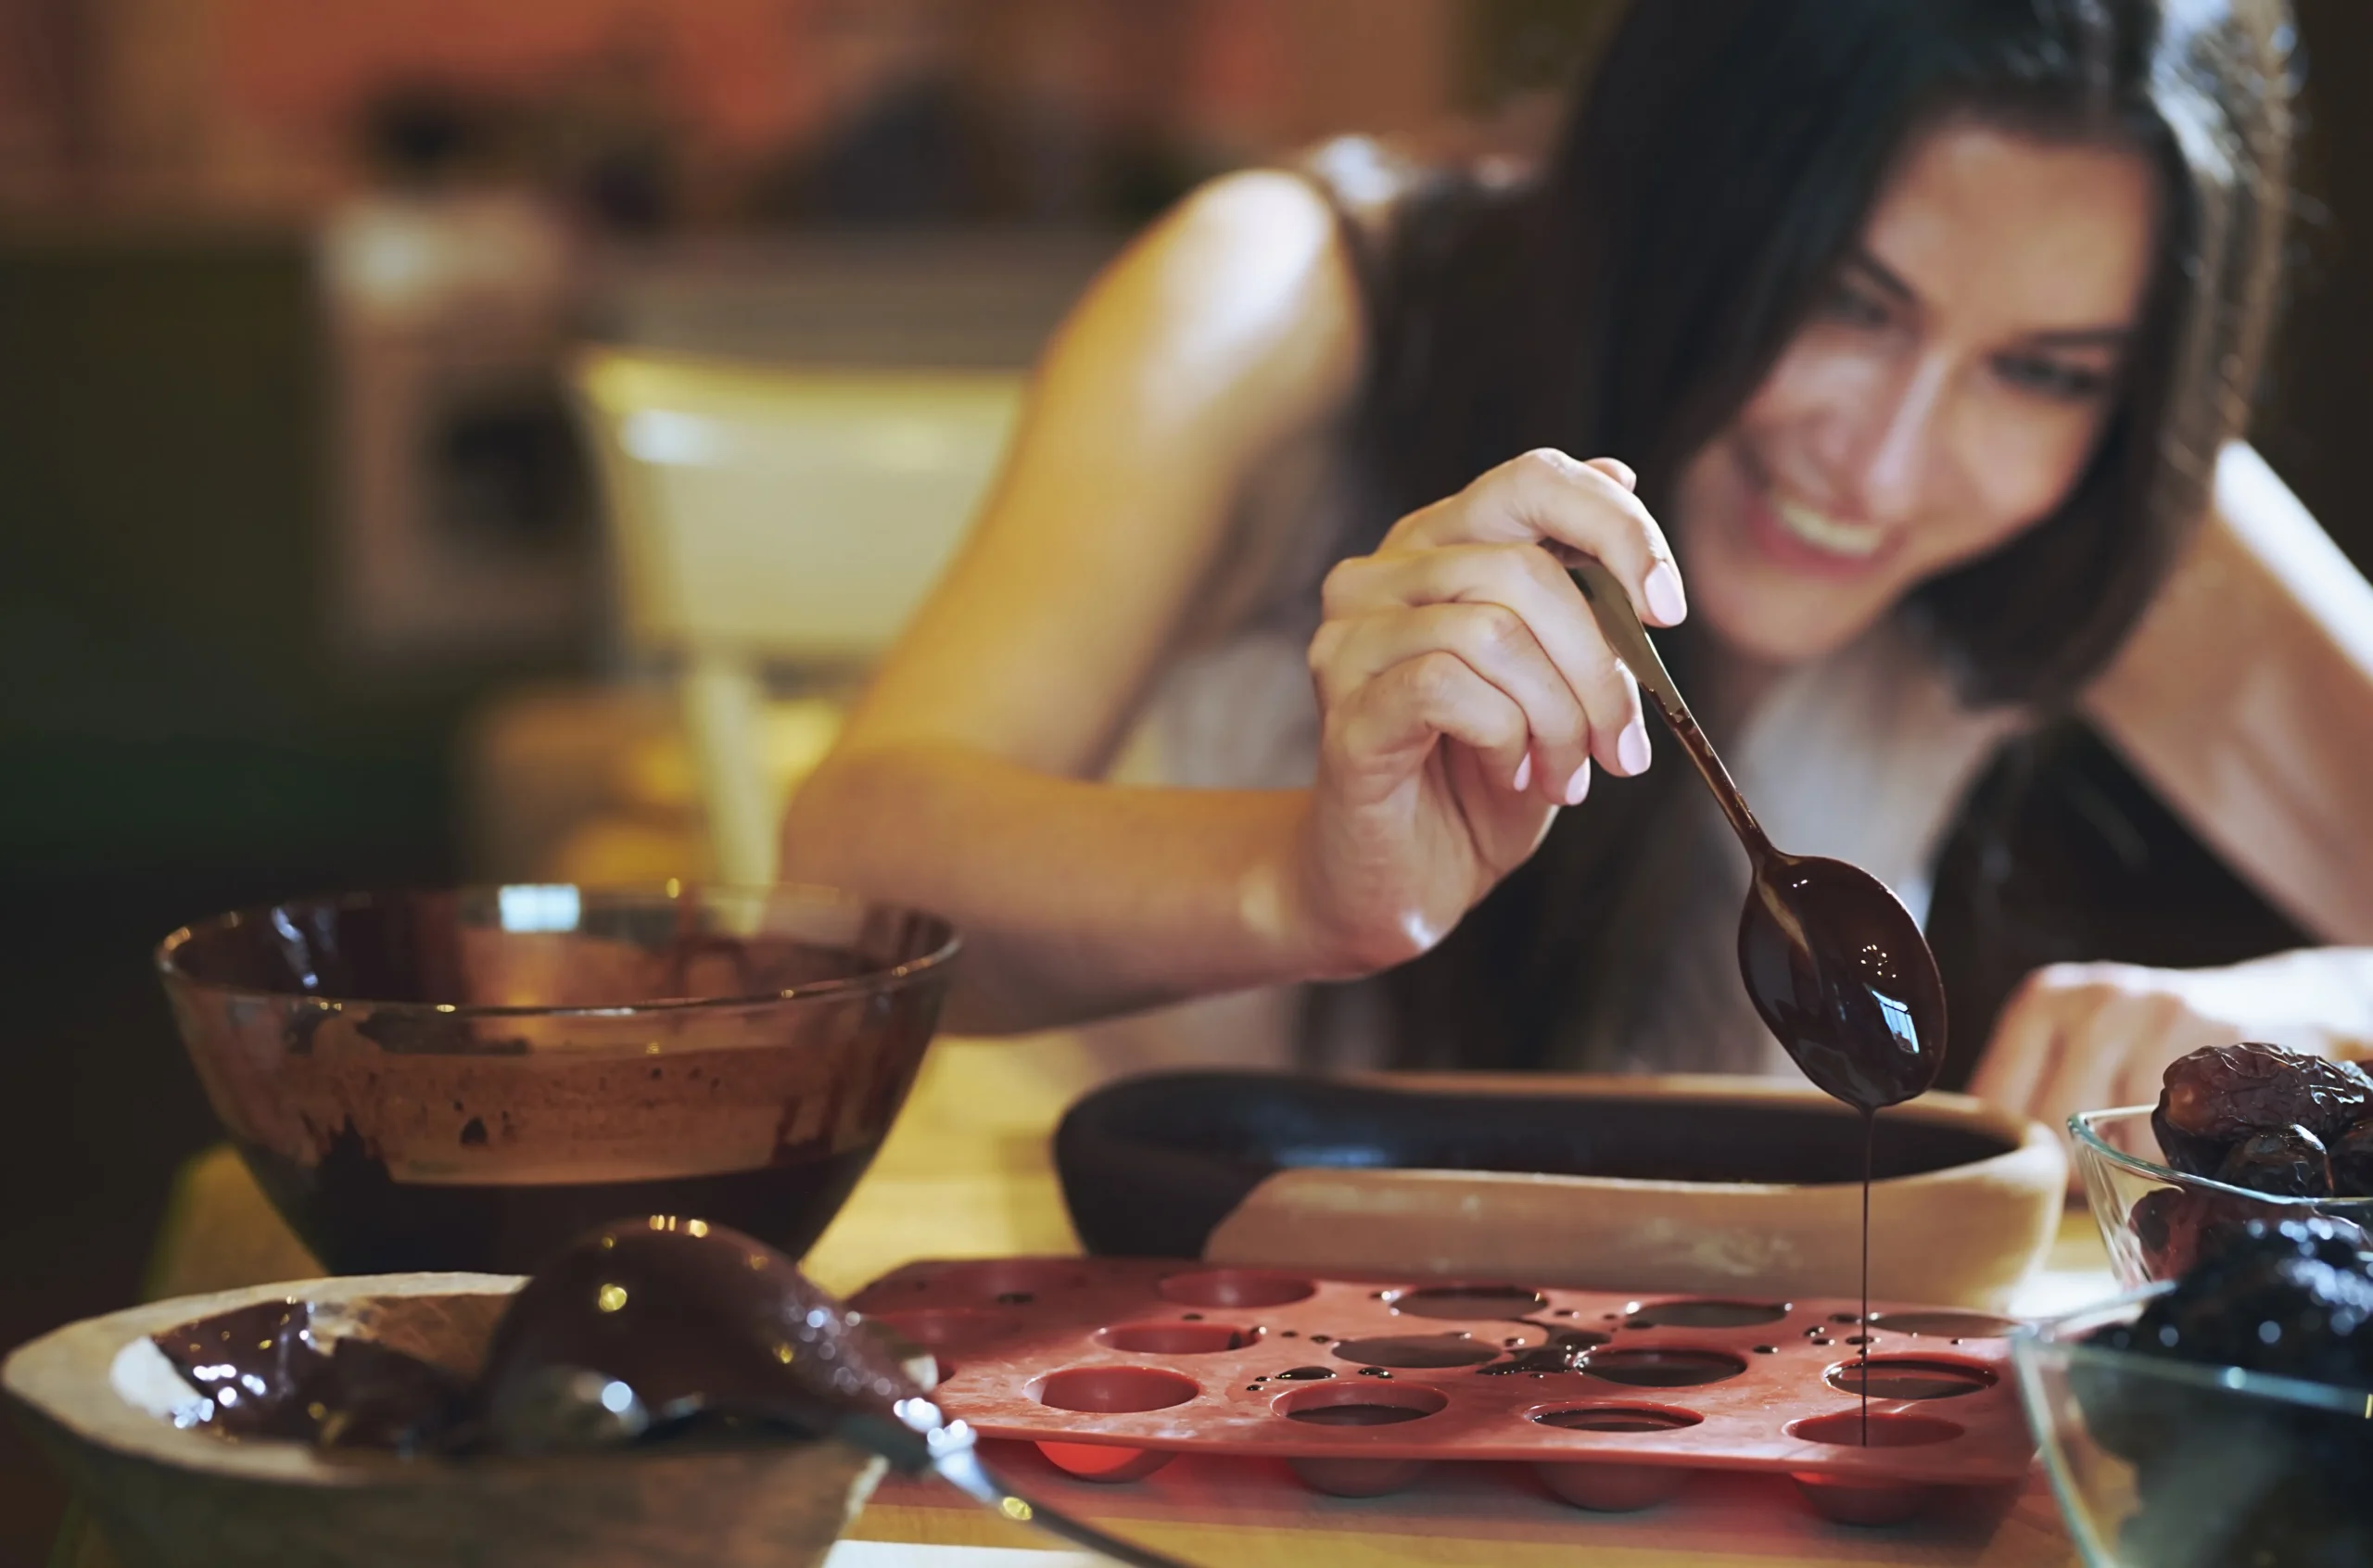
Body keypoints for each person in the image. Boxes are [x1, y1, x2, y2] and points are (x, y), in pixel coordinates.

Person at [782, 0, 2373, 1136]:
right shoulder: (1290, 299)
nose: (1884, 467)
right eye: (1846, 297)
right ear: (1678, 197)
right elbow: (844, 891)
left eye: (2045, 368)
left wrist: (2310, 1023)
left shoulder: (2099, 485)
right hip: (1146, 1376)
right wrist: (1301, 880)